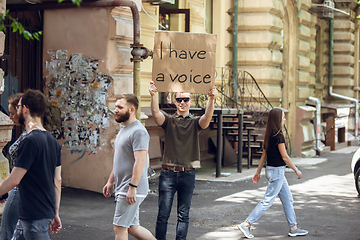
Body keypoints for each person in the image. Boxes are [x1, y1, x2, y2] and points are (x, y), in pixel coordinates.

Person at [148, 81, 218, 240]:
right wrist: (153, 96)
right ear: (174, 102)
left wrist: (212, 100)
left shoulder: (195, 123)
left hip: (187, 174)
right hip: (168, 174)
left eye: (185, 99)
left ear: (190, 101)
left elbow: (206, 119)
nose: (182, 103)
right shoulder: (169, 121)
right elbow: (156, 114)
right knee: (162, 215)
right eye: (179, 99)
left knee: (183, 215)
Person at [0, 89, 62, 240]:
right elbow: (57, 180)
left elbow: (15, 179)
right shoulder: (52, 141)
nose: (17, 110)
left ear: (25, 108)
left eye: (19, 107)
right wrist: (55, 213)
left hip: (34, 214)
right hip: (42, 212)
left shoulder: (30, 141)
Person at [237, 108, 308, 238]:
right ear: (278, 119)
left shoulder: (270, 134)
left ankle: (293, 228)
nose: (285, 119)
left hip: (272, 170)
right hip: (277, 172)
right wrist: (296, 170)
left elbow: (264, 154)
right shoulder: (278, 136)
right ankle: (246, 224)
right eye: (283, 117)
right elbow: (285, 157)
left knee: (288, 199)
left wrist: (258, 172)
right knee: (268, 201)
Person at [103, 94, 156, 240]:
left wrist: (132, 186)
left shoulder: (138, 131)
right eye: (116, 107)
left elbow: (140, 162)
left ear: (131, 109)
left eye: (120, 107)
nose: (116, 110)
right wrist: (110, 181)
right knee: (132, 227)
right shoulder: (124, 130)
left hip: (131, 187)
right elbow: (120, 160)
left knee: (119, 228)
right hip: (124, 186)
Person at [0, 93, 27, 240]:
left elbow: (16, 177)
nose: (10, 117)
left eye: (12, 113)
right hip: (27, 191)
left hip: (20, 190)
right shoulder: (31, 135)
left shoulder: (28, 138)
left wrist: (3, 190)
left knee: (8, 233)